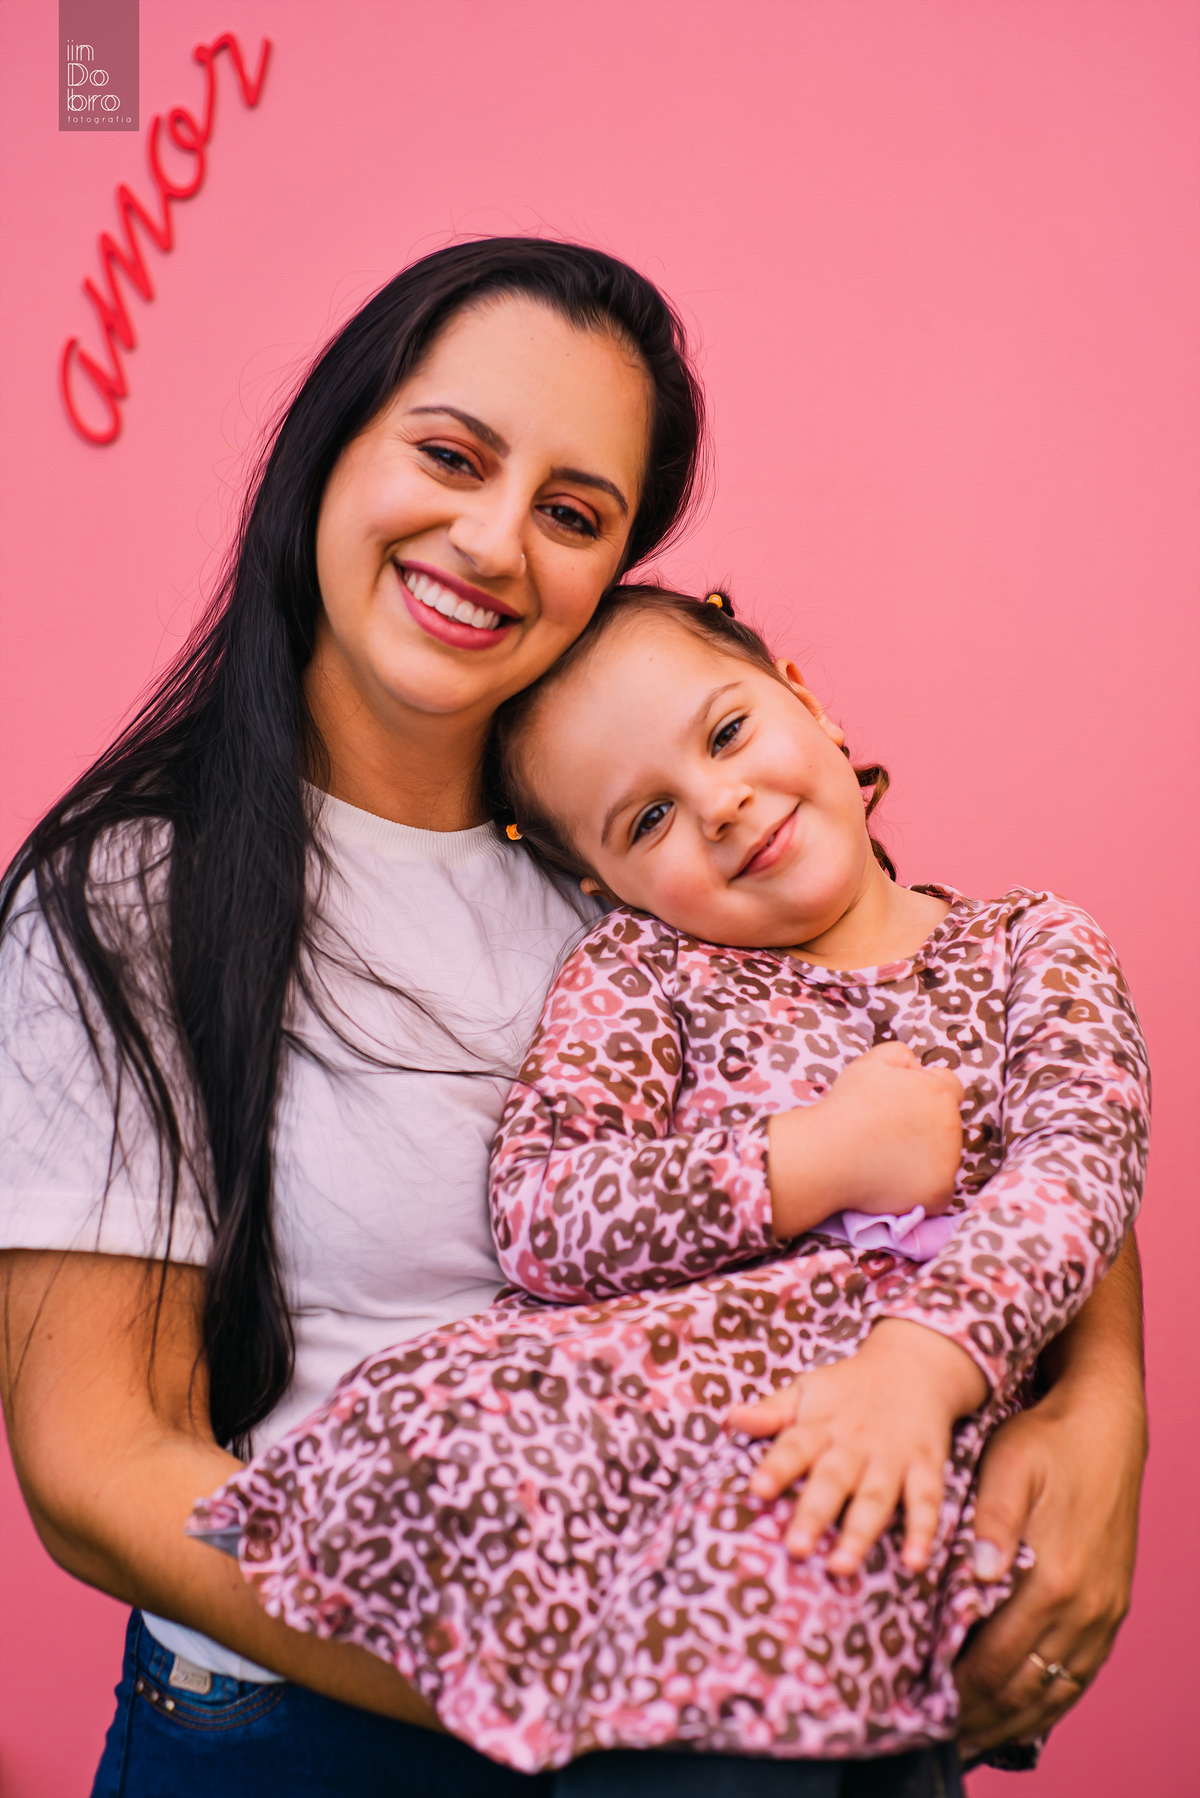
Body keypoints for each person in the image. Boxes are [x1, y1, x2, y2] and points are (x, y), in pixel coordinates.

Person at [0, 241, 1147, 1797]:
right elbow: (92, 1470)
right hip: (329, 1713)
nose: (490, 539)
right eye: (452, 454)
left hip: (736, 1664)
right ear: (330, 448)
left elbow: (974, 1096)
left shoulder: (649, 865)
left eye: (572, 511)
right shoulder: (141, 884)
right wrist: (585, 1668)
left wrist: (1099, 1422)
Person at [195, 586, 1148, 1789]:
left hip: (878, 1469)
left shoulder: (1030, 947)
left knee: (828, 1612)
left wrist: (923, 1362)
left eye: (729, 731)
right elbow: (543, 1210)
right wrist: (814, 1158)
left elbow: (1081, 1171)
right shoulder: (643, 972)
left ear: (805, 694)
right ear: (601, 884)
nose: (720, 803)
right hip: (654, 1442)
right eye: (647, 818)